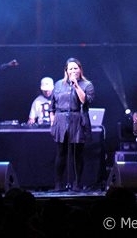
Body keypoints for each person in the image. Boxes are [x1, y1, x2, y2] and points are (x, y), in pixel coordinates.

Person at [50, 57, 95, 191]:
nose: (73, 71)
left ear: (80, 69)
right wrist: (53, 121)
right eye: (70, 68)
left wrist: (76, 85)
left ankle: (77, 183)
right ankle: (58, 184)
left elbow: (85, 101)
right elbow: (52, 105)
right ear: (66, 70)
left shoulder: (87, 84)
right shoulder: (58, 84)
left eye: (76, 68)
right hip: (61, 120)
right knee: (61, 152)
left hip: (78, 120)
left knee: (77, 154)